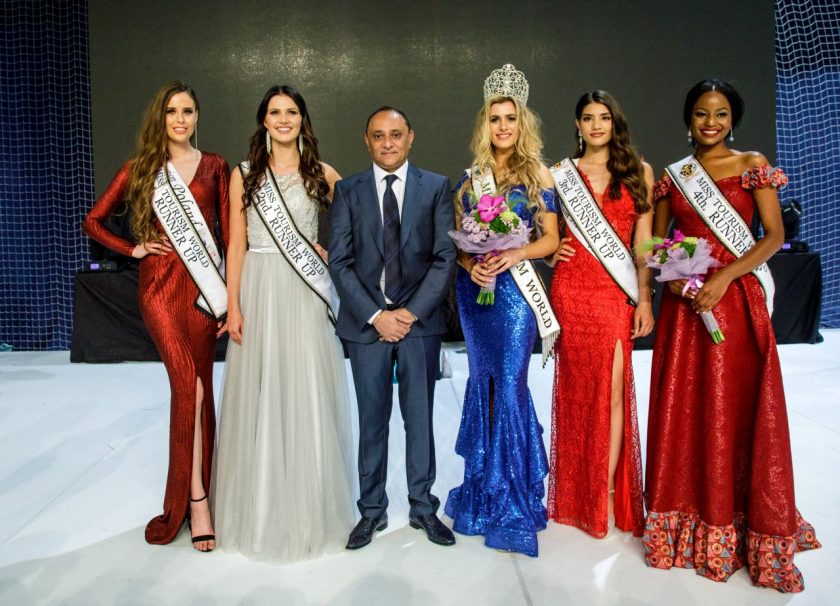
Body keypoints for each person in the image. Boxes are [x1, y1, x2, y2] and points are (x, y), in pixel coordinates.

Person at [643, 79, 821, 592]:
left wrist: (723, 277)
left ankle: (743, 518)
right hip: (686, 311)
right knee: (689, 407)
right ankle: (689, 511)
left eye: (720, 113)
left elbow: (774, 236)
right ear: (689, 118)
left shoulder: (751, 164)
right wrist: (673, 276)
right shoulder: (675, 177)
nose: (711, 122)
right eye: (702, 113)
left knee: (736, 407)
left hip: (738, 301)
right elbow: (658, 242)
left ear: (733, 119)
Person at [84, 81, 229, 551]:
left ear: (197, 116)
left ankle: (204, 487)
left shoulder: (215, 166)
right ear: (160, 118)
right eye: (171, 111)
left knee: (202, 389)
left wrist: (233, 297)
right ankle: (195, 500)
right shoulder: (141, 168)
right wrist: (133, 248)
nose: (180, 119)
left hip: (204, 292)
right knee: (189, 387)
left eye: (188, 110)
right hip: (160, 290)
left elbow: (229, 236)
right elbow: (93, 221)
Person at [211, 85, 354, 562]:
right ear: (264, 120)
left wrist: (333, 253)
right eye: (275, 112)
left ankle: (310, 509)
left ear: (302, 119)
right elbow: (235, 244)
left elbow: (359, 225)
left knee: (305, 386)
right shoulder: (244, 174)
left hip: (304, 289)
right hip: (259, 286)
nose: (284, 119)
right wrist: (233, 305)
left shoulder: (323, 173)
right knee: (261, 389)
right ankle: (260, 509)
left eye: (291, 111)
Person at [329, 106, 457, 550]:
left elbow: (444, 257)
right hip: (367, 326)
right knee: (372, 421)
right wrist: (376, 316)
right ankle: (371, 511)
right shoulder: (348, 191)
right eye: (379, 135)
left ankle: (423, 508)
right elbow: (340, 262)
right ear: (366, 140)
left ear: (410, 137)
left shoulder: (436, 187)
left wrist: (410, 313)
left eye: (396, 134)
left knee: (419, 420)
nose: (388, 143)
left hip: (419, 325)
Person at [445, 64, 559, 557]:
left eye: (511, 118)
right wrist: (472, 264)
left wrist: (515, 253)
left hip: (516, 296)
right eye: (495, 119)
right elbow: (460, 245)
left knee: (510, 384)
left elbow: (551, 240)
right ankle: (481, 491)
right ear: (485, 124)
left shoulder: (538, 175)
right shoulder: (470, 180)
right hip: (478, 294)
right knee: (483, 383)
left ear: (522, 122)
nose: (503, 126)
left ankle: (511, 498)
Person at [546, 91, 654, 539]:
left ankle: (604, 490)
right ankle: (577, 489)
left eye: (604, 117)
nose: (596, 125)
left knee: (612, 389)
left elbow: (643, 244)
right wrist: (550, 254)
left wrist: (644, 298)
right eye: (588, 118)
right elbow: (543, 231)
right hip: (571, 290)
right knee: (577, 391)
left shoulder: (639, 171)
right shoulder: (558, 174)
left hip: (614, 293)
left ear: (614, 122)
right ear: (577, 124)